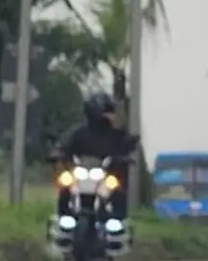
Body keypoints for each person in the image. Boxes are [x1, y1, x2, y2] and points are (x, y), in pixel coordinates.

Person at [48, 91, 139, 220]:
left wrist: (125, 157)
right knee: (65, 185)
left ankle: (118, 225)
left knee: (117, 191)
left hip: (105, 176)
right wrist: (58, 153)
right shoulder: (79, 133)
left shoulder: (116, 135)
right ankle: (63, 220)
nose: (110, 115)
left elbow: (126, 144)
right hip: (80, 174)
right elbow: (64, 144)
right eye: (107, 111)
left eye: (110, 111)